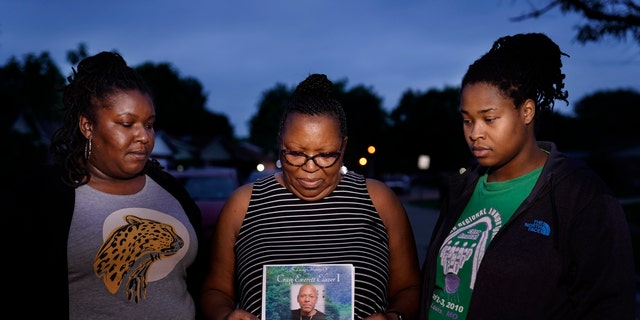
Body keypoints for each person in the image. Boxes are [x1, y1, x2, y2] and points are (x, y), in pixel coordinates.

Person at [418, 33, 636, 319]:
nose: (475, 133)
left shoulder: (580, 195)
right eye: (467, 120)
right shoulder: (462, 187)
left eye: (489, 118)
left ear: (527, 111)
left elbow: (610, 305)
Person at [201, 73, 420, 320]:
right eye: (295, 153)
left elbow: (409, 288)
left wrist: (394, 317)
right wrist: (224, 315)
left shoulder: (379, 201)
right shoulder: (242, 205)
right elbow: (215, 290)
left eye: (326, 155)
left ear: (344, 147)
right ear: (279, 143)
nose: (311, 167)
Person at [10, 51, 206, 319]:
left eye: (149, 125)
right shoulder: (44, 196)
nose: (144, 137)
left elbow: (201, 281)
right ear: (87, 126)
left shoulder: (170, 190)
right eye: (127, 124)